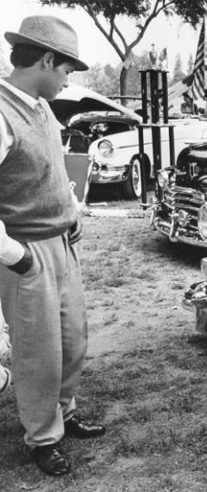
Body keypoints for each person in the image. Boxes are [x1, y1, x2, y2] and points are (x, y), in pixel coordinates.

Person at [0, 15, 106, 477]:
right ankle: (43, 436)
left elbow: (51, 171)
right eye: (66, 69)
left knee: (71, 341)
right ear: (45, 59)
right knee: (38, 352)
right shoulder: (2, 112)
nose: (67, 79)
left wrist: (71, 213)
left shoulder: (42, 107)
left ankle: (65, 410)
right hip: (27, 252)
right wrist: (14, 256)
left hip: (62, 241)